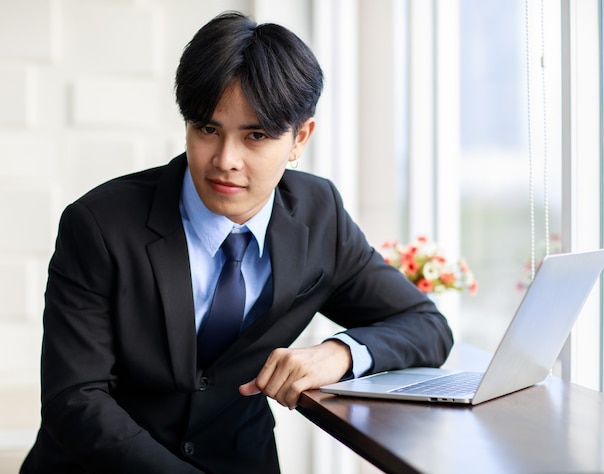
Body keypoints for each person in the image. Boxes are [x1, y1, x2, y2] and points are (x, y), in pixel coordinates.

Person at [20, 10, 453, 474]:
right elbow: (76, 399)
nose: (225, 160)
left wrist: (339, 353)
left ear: (299, 138)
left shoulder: (318, 211)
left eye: (256, 136)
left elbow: (424, 324)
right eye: (208, 129)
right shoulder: (100, 223)